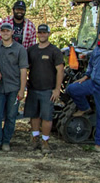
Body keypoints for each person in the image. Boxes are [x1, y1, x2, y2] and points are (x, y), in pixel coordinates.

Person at [24, 24, 64, 153]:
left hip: (48, 90)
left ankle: (45, 141)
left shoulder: (54, 51)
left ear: (48, 34)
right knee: (34, 116)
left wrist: (57, 89)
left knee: (47, 117)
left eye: (44, 33)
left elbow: (60, 70)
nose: (42, 35)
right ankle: (34, 139)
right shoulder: (32, 50)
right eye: (40, 33)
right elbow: (25, 67)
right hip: (33, 89)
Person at [0, 22, 28, 151]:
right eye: (3, 31)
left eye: (7, 31)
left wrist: (22, 90)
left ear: (12, 33)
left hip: (14, 88)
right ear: (0, 33)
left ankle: (6, 141)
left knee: (11, 117)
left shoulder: (19, 49)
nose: (5, 33)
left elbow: (23, 71)